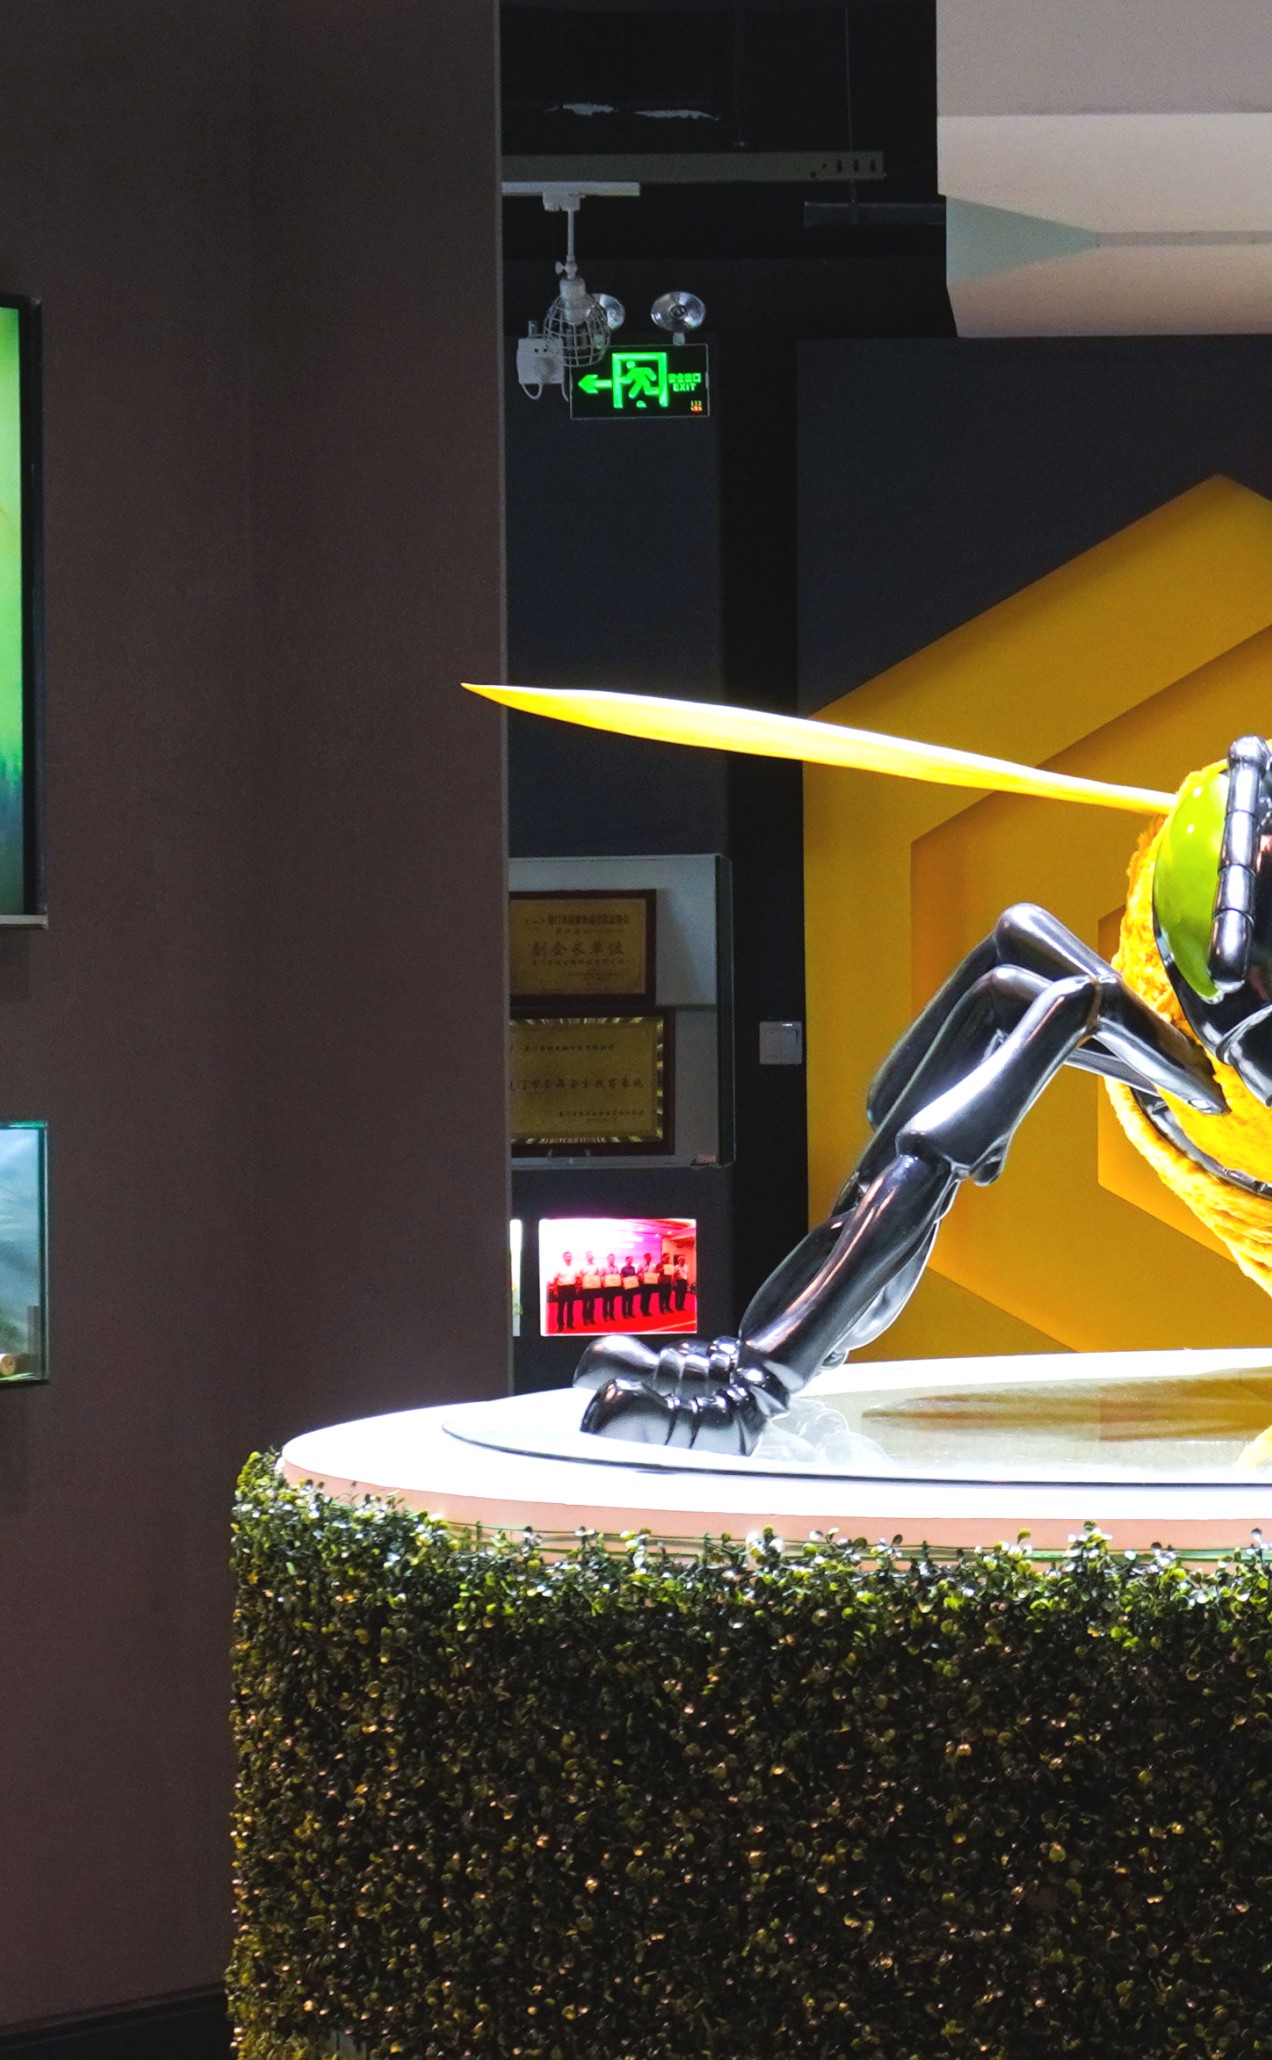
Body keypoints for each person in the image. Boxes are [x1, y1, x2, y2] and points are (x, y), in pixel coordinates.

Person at [551, 1250, 577, 1332]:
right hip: (562, 1289)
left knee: (570, 1307)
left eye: (570, 1256)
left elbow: (576, 1278)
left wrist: (576, 1288)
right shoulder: (559, 1267)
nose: (568, 1258)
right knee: (561, 1308)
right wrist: (555, 1290)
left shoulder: (574, 1268)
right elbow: (555, 1279)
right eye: (567, 1256)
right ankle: (560, 1325)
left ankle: (570, 1324)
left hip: (571, 1288)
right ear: (564, 1258)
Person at [579, 1252, 602, 1327]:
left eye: (591, 1256)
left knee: (592, 1304)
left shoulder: (596, 1266)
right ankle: (585, 1319)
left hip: (593, 1287)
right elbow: (580, 1275)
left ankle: (591, 1318)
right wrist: (582, 1281)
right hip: (585, 1288)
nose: (590, 1257)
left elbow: (598, 1275)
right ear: (586, 1257)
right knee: (585, 1304)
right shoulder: (583, 1266)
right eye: (589, 1256)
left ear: (593, 1257)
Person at [601, 1254, 622, 1324]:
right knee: (605, 1302)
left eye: (612, 1258)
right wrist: (603, 1282)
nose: (611, 1259)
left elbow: (618, 1275)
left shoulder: (616, 1267)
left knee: (612, 1301)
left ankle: (611, 1315)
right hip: (606, 1287)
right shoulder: (604, 1267)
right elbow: (601, 1276)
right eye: (610, 1258)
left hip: (613, 1287)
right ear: (607, 1259)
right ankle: (605, 1316)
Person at [638, 1253, 658, 1319]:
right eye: (648, 1257)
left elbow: (655, 1273)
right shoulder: (641, 1264)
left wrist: (656, 1277)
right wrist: (641, 1277)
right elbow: (638, 1273)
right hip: (643, 1283)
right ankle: (643, 1310)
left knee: (648, 1297)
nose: (649, 1258)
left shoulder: (653, 1265)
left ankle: (647, 1310)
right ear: (645, 1258)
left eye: (650, 1257)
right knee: (643, 1297)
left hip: (650, 1283)